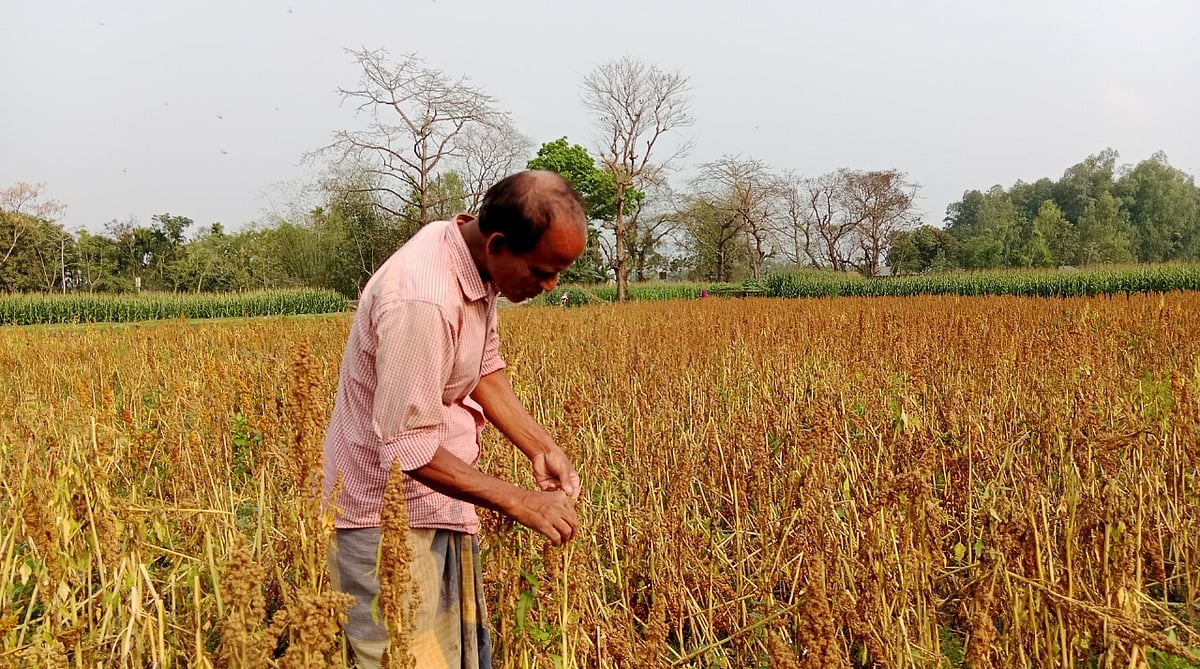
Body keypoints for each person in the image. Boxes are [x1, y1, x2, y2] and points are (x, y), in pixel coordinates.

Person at [322, 170, 587, 668]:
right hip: (389, 523)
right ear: (499, 244)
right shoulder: (422, 298)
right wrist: (517, 500)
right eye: (542, 271)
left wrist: (540, 447)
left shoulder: (471, 262)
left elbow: (483, 367)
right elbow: (406, 446)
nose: (551, 286)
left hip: (443, 504)